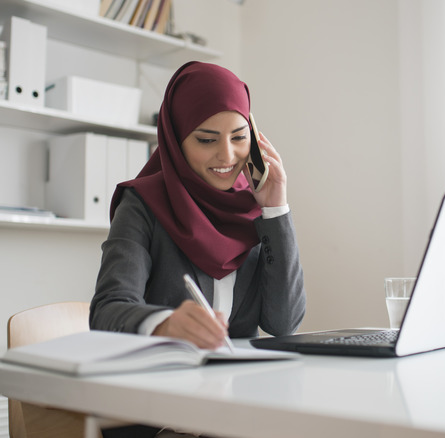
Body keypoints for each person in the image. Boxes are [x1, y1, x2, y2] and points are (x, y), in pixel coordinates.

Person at [91, 61, 306, 355]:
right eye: (207, 139)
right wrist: (163, 324)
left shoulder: (255, 209)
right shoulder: (142, 203)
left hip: (243, 384)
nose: (227, 155)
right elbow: (107, 310)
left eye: (240, 137)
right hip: (164, 382)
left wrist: (276, 210)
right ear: (175, 140)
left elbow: (283, 324)